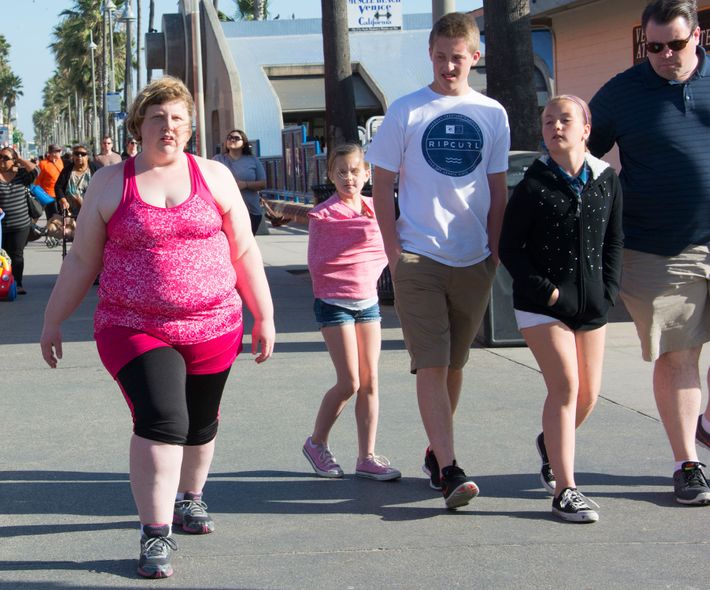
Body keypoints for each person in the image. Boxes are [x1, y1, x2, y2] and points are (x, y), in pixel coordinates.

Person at [40, 76, 276, 579]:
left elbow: (244, 250)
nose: (167, 127)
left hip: (215, 322)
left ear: (190, 128)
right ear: (138, 126)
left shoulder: (214, 176)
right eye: (156, 118)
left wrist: (266, 313)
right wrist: (52, 318)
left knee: (200, 420)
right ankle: (154, 533)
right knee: (163, 419)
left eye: (177, 119)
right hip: (133, 324)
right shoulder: (110, 182)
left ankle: (191, 498)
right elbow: (82, 259)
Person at [366, 12, 510, 509]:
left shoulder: (493, 113)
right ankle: (450, 469)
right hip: (418, 256)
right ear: (430, 54)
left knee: (454, 363)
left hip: (473, 259)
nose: (450, 65)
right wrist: (393, 252)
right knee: (431, 361)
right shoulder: (406, 111)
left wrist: (493, 251)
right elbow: (381, 186)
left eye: (459, 56)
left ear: (475, 56)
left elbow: (496, 187)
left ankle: (434, 451)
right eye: (442, 56)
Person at [588, 0, 710, 506]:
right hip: (659, 248)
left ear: (698, 36)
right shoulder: (622, 92)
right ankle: (687, 464)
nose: (664, 55)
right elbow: (581, 153)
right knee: (679, 355)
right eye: (653, 47)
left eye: (675, 45)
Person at [500, 95, 623, 523]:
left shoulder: (606, 178)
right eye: (548, 121)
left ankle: (550, 445)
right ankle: (566, 490)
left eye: (565, 119)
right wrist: (549, 294)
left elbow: (613, 240)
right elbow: (509, 249)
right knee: (567, 386)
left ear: (586, 128)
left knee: (589, 395)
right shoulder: (534, 183)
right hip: (542, 306)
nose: (555, 127)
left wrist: (608, 291)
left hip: (592, 304)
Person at [302, 143, 401, 482]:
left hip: (368, 301)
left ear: (367, 174)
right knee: (349, 382)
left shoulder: (377, 209)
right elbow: (317, 263)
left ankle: (367, 456)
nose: (348, 177)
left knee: (370, 382)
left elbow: (392, 241)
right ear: (330, 176)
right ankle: (316, 444)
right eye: (341, 172)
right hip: (334, 303)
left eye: (355, 171)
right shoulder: (325, 214)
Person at [212, 129, 267, 235]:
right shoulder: (217, 160)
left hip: (250, 210)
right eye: (229, 138)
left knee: (245, 246)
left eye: (236, 138)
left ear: (244, 143)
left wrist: (245, 185)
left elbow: (263, 183)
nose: (232, 140)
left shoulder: (253, 160)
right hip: (224, 211)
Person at [0, 146, 38, 295]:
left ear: (14, 160)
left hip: (20, 223)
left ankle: (17, 282)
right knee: (3, 254)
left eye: (6, 158)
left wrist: (20, 159)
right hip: (1, 225)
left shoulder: (22, 174)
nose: (2, 160)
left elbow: (36, 171)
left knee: (16, 254)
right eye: (0, 157)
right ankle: (3, 281)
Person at [55, 143, 100, 218]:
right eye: (76, 153)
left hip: (92, 212)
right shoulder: (67, 170)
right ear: (73, 156)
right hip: (71, 213)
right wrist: (63, 199)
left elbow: (103, 187)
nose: (79, 156)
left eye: (83, 154)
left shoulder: (95, 169)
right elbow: (58, 187)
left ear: (88, 156)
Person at [34, 144, 64, 218]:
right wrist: (40, 196)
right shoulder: (43, 164)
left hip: (60, 194)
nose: (60, 153)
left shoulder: (60, 161)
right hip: (49, 196)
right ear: (52, 153)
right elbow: (37, 181)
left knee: (61, 217)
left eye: (60, 151)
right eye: (58, 151)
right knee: (52, 218)